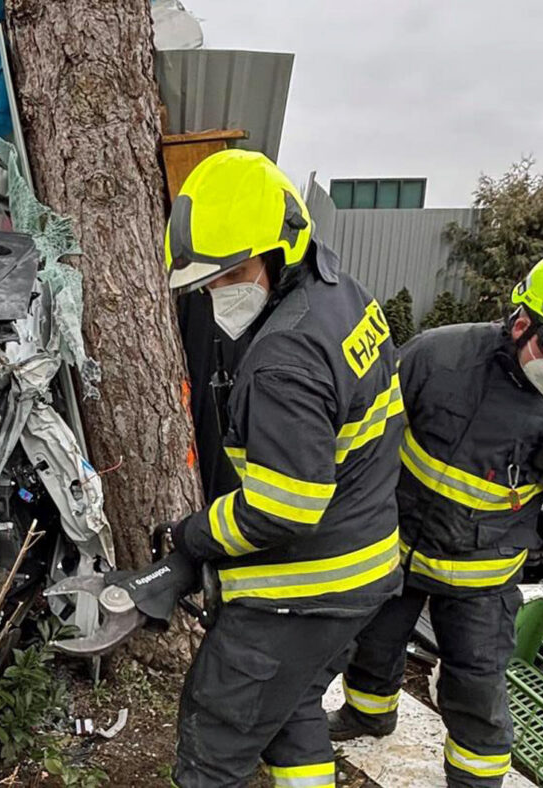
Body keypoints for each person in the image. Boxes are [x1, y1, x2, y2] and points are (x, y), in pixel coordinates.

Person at [122, 149, 407, 788]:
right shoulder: (340, 292)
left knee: (215, 732)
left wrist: (191, 538)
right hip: (362, 569)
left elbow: (283, 509)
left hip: (299, 593)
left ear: (278, 252)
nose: (216, 293)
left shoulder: (283, 362)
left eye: (228, 274)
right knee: (290, 708)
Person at [327, 238, 543, 788]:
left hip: (483, 580)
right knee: (371, 644)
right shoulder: (436, 356)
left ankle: (476, 781)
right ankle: (368, 714)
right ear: (522, 320)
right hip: (394, 550)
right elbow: (365, 439)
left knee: (476, 688)